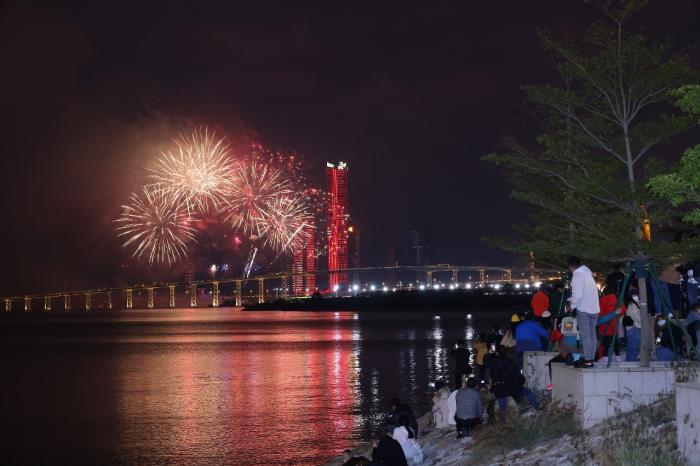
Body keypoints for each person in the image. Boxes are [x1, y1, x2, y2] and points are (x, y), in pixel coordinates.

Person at [485, 345, 540, 422]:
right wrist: (520, 382)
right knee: (528, 392)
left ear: (497, 353)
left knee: (501, 398)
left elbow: (490, 373)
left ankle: (503, 418)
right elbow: (518, 375)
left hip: (500, 388)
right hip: (512, 387)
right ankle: (537, 407)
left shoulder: (493, 363)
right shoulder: (510, 362)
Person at [567, 256, 600, 367]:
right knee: (592, 334)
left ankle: (587, 360)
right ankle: (591, 358)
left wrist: (572, 305)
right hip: (595, 308)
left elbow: (577, 295)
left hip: (584, 308)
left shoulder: (577, 275)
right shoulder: (588, 273)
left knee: (585, 336)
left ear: (570, 267)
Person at [597, 286, 625, 361]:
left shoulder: (602, 300)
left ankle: (605, 356)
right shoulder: (617, 300)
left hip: (604, 325)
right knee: (614, 340)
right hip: (614, 324)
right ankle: (617, 355)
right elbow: (623, 309)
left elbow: (599, 313)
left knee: (605, 341)